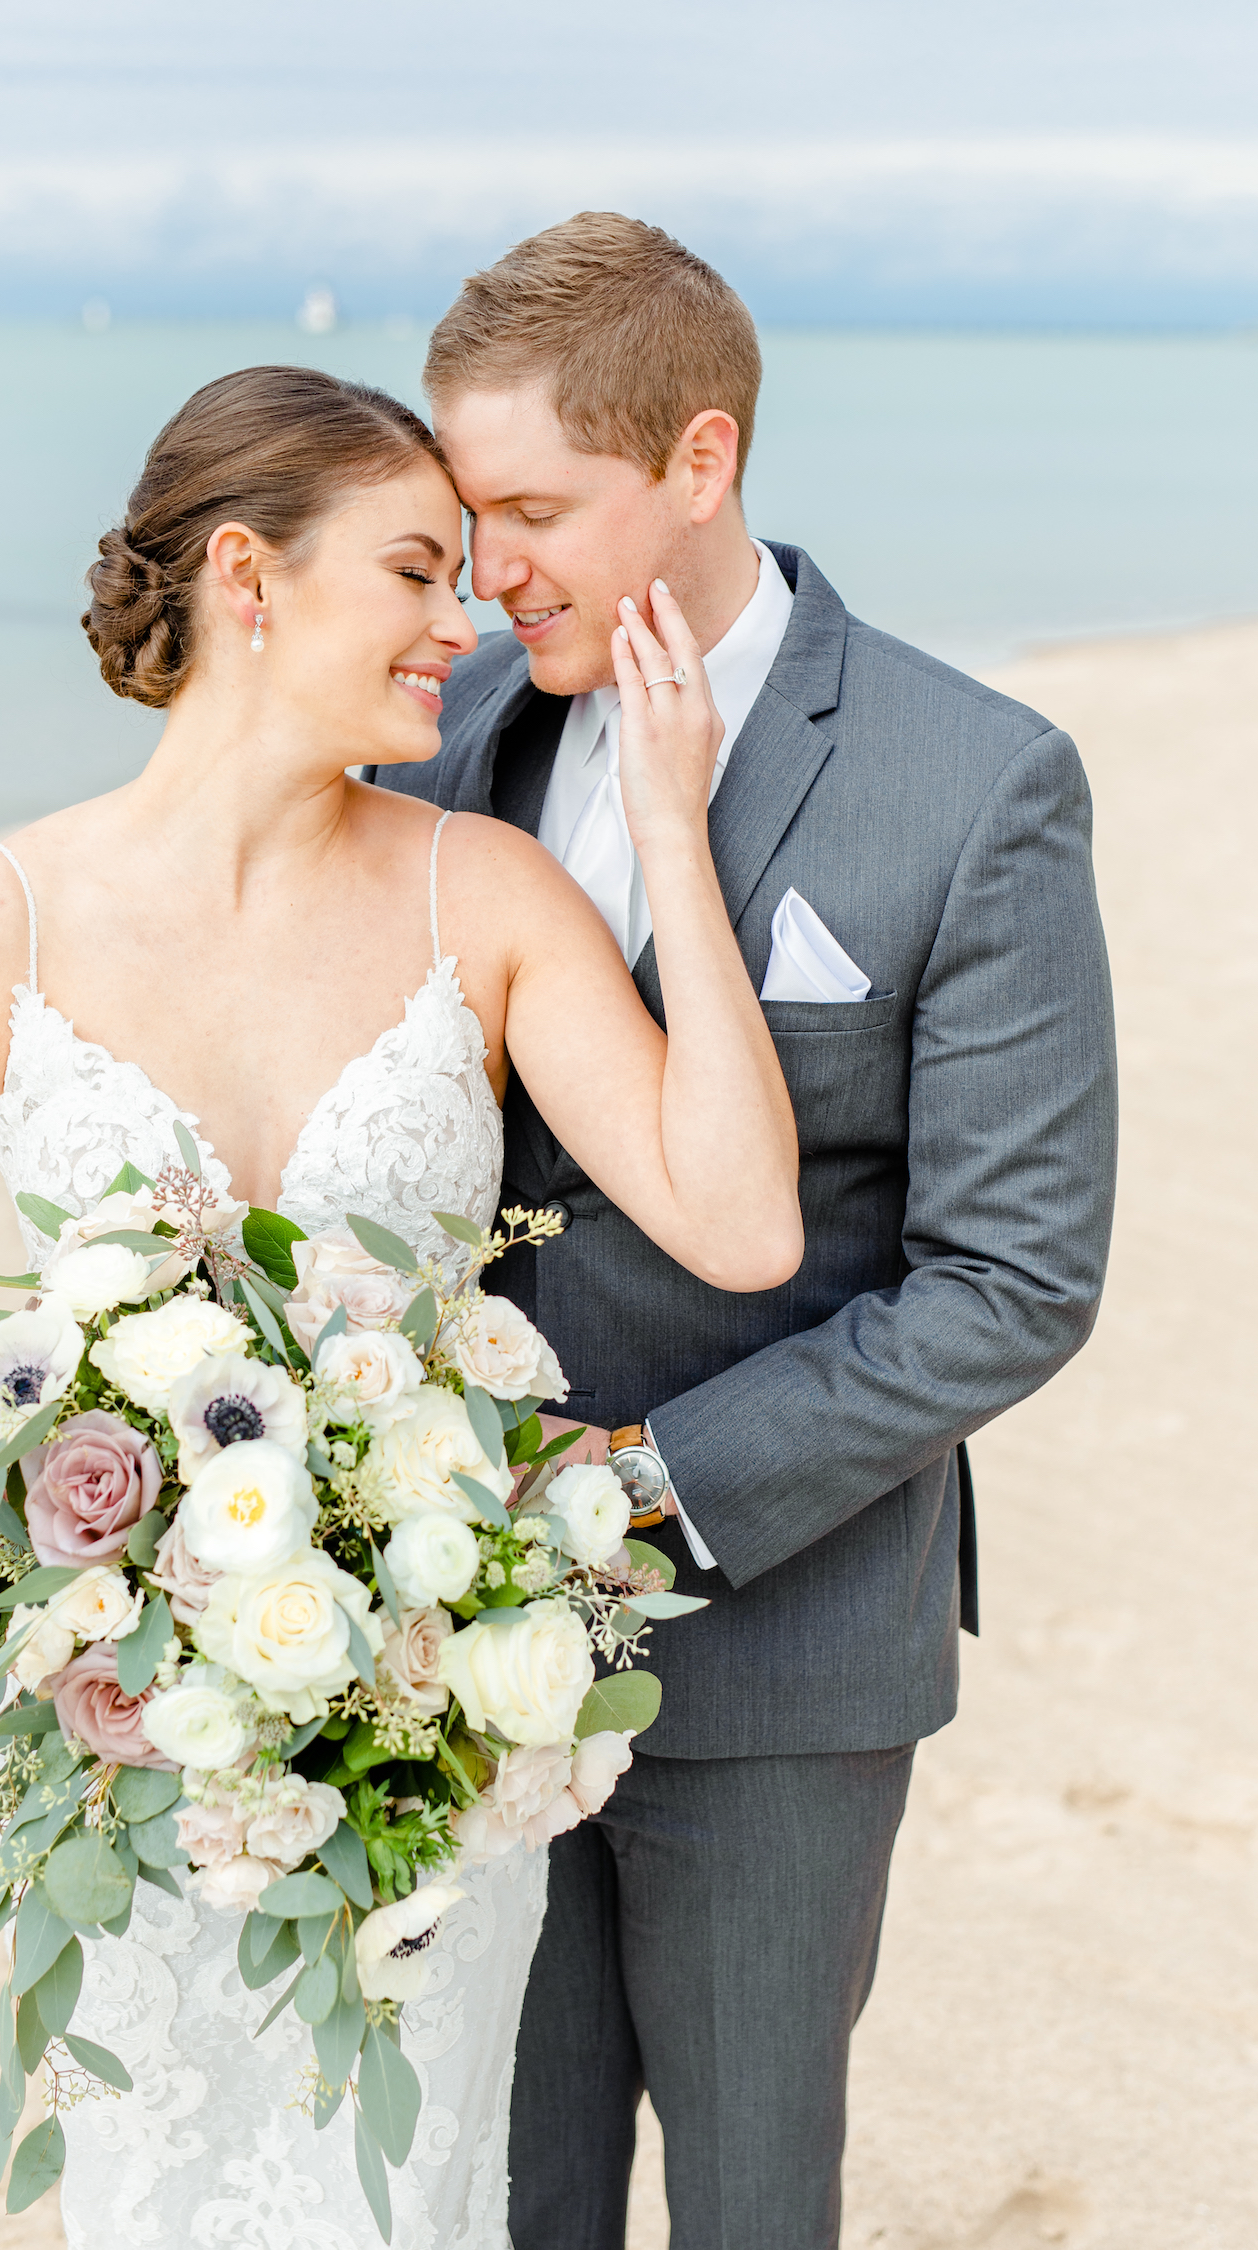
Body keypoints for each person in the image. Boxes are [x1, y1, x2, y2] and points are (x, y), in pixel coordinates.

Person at [0, 365, 802, 2247]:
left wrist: (671, 824)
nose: (465, 618)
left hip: (409, 1771)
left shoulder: (482, 894)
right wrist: (65, 1623)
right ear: (250, 578)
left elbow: (743, 1223)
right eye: (418, 570)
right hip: (139, 1768)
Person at [366, 213, 1119, 2250]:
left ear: (699, 462)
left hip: (778, 1645)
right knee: (503, 2196)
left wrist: (645, 1494)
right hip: (442, 1648)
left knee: (753, 2201)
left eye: (536, 507)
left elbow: (1017, 1282)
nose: (487, 565)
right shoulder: (441, 751)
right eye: (461, 509)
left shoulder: (975, 783)